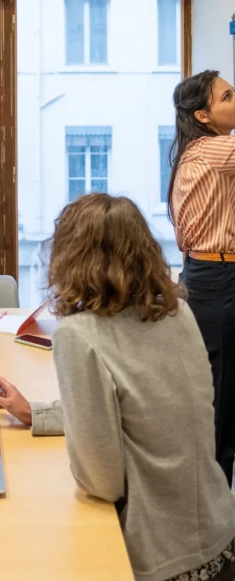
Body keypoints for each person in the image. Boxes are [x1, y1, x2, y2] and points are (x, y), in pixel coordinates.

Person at [0, 194, 235, 581]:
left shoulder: (79, 336)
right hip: (220, 536)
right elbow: (145, 412)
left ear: (69, 257)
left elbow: (103, 481)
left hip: (160, 557)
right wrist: (35, 412)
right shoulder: (177, 313)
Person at [167, 70, 235, 487]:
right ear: (204, 115)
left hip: (209, 274)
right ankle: (217, 529)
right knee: (221, 399)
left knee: (222, 397)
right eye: (227, 97)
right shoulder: (213, 151)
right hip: (217, 278)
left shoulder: (202, 152)